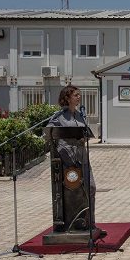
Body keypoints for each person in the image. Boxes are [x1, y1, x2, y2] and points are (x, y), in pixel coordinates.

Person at [47, 85, 106, 237]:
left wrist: (84, 137)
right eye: (75, 95)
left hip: (82, 157)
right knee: (73, 192)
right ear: (67, 98)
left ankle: (90, 223)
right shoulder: (59, 116)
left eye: (79, 95)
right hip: (68, 160)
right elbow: (50, 134)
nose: (78, 97)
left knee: (91, 187)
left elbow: (85, 132)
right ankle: (74, 224)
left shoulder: (80, 115)